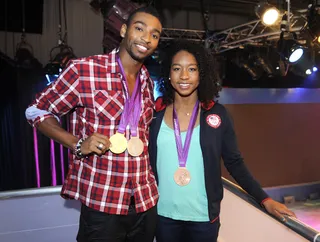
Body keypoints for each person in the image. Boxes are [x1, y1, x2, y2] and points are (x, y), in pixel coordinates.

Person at [25, 6, 162, 242]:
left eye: (154, 34)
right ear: (123, 30)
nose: (146, 38)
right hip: (103, 202)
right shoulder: (85, 70)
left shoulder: (147, 81)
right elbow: (36, 110)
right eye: (139, 28)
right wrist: (77, 143)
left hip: (143, 201)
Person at [148, 40, 296, 242]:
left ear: (202, 74)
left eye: (192, 69)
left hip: (203, 220)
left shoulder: (217, 114)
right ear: (168, 74)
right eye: (177, 69)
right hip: (163, 217)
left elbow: (235, 162)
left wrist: (264, 199)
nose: (184, 76)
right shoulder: (154, 115)